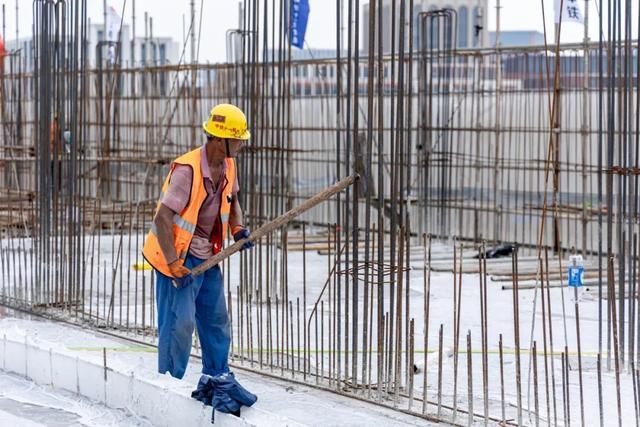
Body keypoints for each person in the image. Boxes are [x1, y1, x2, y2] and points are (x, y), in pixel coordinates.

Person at [142, 103, 257, 416]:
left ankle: (215, 378)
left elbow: (232, 202)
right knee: (180, 322)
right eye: (239, 138)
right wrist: (173, 263)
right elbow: (163, 219)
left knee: (216, 320)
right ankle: (170, 377)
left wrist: (239, 229)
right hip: (177, 257)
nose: (243, 144)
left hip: (208, 255)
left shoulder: (229, 166)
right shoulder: (188, 170)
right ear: (220, 139)